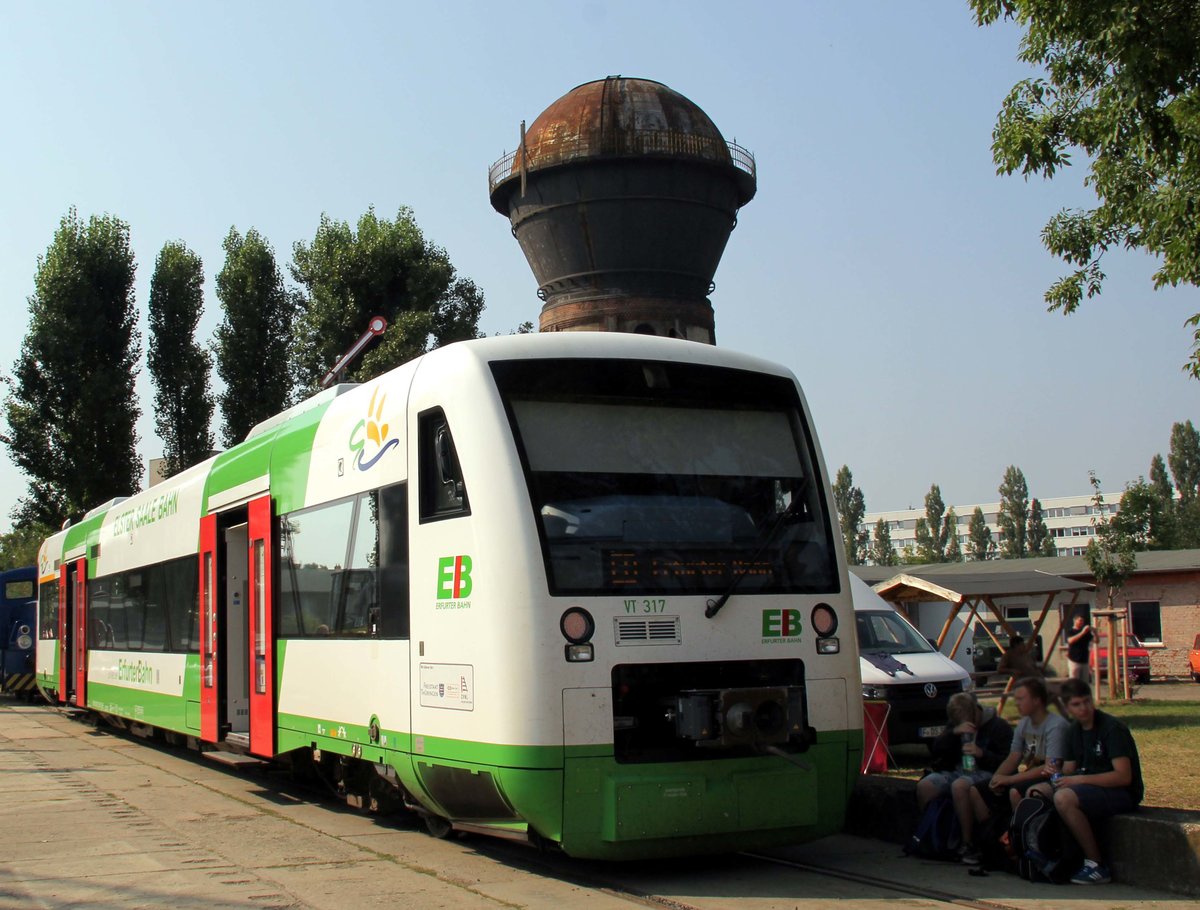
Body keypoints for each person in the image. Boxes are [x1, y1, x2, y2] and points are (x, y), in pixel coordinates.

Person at [1028, 678, 1143, 885]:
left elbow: (1123, 776)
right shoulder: (1074, 730)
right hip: (1088, 787)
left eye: (1087, 702)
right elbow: (1071, 769)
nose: (1084, 708)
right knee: (1036, 791)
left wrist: (1078, 780)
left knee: (1064, 798)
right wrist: (1055, 772)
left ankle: (1096, 863)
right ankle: (1044, 852)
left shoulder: (1111, 729)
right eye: (1076, 705)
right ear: (1068, 707)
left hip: (1121, 792)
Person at [958, 676, 1068, 864]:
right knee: (977, 790)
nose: (1016, 703)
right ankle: (990, 842)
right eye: (1015, 699)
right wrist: (998, 777)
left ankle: (1022, 846)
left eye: (1021, 699)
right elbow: (1013, 757)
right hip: (1025, 774)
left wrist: (1009, 780)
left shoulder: (1055, 725)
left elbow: (1051, 767)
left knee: (1016, 792)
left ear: (1037, 701)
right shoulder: (1024, 724)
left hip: (1049, 778)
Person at [917, 692, 1011, 814]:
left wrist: (982, 753)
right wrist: (953, 732)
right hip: (957, 771)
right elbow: (937, 749)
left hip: (986, 772)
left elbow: (1008, 760)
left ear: (977, 710)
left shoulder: (998, 726)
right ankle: (928, 828)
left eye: (971, 721)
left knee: (959, 786)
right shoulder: (955, 724)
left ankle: (966, 832)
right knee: (925, 786)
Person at [1066, 612, 1094, 682]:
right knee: (1074, 682)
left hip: (1084, 661)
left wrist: (1094, 632)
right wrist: (1082, 633)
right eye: (1080, 620)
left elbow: (1096, 641)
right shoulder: (1071, 631)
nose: (1082, 622)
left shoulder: (1086, 632)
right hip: (1074, 660)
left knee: (1085, 682)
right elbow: (1070, 641)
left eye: (1083, 621)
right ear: (1075, 621)